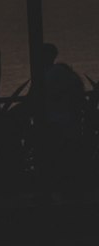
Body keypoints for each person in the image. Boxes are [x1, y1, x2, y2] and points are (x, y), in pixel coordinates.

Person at [41, 42, 86, 196]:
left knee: (59, 156)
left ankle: (63, 189)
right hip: (65, 121)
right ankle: (69, 189)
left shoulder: (52, 73)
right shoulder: (60, 71)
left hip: (58, 121)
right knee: (65, 156)